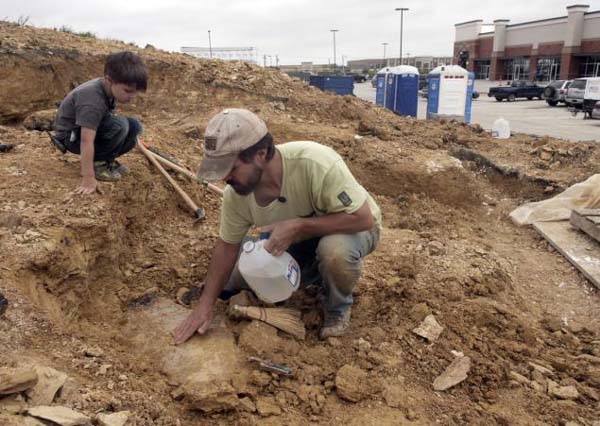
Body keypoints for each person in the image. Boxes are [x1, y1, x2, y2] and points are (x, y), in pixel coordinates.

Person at [174, 109, 382, 343]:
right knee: (242, 268)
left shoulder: (314, 162)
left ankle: (337, 306)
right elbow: (227, 247)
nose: (225, 179)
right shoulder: (237, 194)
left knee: (334, 252)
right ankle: (312, 273)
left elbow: (363, 219)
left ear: (260, 154)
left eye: (230, 169)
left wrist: (299, 225)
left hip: (350, 227)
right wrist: (205, 305)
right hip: (297, 239)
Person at [52, 51, 148, 194]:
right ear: (109, 80)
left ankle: (108, 161)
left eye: (135, 92)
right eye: (128, 91)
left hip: (83, 131)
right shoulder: (92, 101)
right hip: (70, 137)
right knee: (120, 126)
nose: (132, 97)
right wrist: (88, 177)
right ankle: (98, 164)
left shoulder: (108, 89)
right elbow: (86, 140)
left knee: (134, 126)